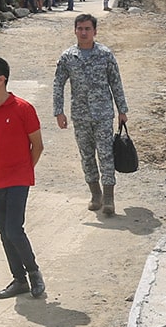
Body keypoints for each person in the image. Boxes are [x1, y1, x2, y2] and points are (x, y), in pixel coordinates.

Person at [0, 56, 45, 299]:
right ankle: (19, 280)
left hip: (17, 180)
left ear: (1, 79)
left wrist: (25, 170)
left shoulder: (23, 109)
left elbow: (37, 145)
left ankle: (34, 273)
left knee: (14, 230)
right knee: (4, 233)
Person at [53, 14, 129, 216]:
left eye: (87, 28)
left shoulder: (105, 54)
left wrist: (122, 110)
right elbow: (58, 83)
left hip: (103, 114)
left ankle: (109, 198)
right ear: (75, 30)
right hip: (80, 115)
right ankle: (96, 194)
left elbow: (116, 82)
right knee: (87, 156)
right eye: (80, 28)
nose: (84, 32)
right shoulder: (68, 57)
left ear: (95, 31)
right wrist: (58, 111)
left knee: (106, 155)